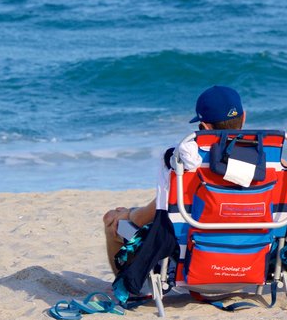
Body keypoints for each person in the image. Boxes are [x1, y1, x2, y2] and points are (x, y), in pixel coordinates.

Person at [102, 85, 247, 271]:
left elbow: (155, 212)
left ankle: (129, 292)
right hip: (249, 260)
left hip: (195, 262)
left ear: (204, 127)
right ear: (244, 117)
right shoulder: (269, 161)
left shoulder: (184, 161)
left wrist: (128, 214)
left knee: (113, 222)